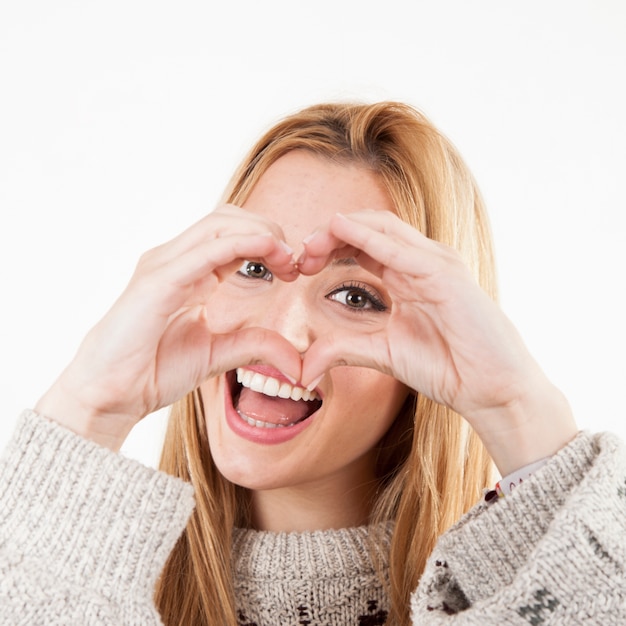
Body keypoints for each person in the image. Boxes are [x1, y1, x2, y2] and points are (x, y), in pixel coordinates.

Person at [0, 102, 624, 626]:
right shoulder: (89, 591)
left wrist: (517, 407)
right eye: (253, 268)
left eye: (355, 295)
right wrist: (89, 406)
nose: (282, 329)